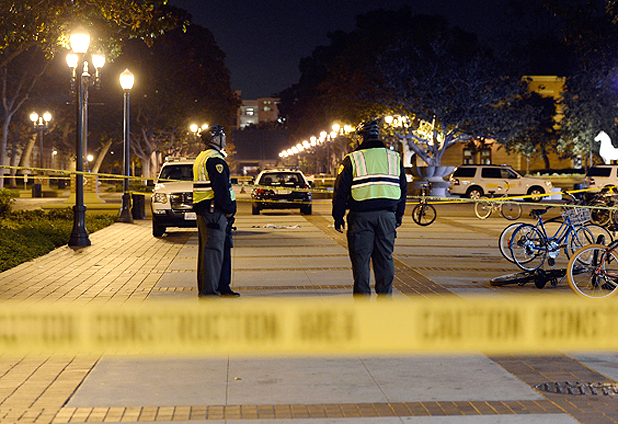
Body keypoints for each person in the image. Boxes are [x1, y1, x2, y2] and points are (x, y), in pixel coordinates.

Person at [332, 119, 407, 297]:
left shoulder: (353, 159)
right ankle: (385, 299)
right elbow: (403, 189)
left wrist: (338, 216)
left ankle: (362, 301)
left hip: (361, 218)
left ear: (361, 138)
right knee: (385, 258)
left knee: (361, 261)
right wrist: (398, 216)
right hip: (387, 216)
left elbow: (340, 191)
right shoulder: (394, 158)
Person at [193, 124, 240, 297]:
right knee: (213, 253)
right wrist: (228, 209)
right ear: (215, 139)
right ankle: (210, 293)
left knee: (217, 250)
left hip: (207, 210)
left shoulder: (202, 157)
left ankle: (221, 287)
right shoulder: (215, 160)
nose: (225, 139)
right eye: (222, 136)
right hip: (215, 212)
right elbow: (221, 189)